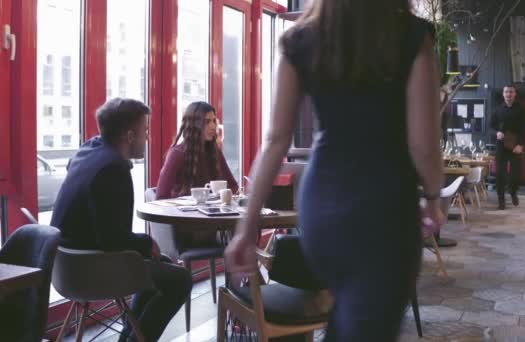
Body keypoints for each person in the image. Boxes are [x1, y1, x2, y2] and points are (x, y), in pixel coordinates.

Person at [224, 1, 445, 341]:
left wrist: (246, 227)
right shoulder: (412, 36)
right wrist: (432, 197)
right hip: (384, 211)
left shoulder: (299, 40)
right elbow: (424, 146)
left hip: (321, 212)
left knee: (349, 318)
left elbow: (275, 140)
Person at [50, 98, 192, 342]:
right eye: (145, 131)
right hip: (91, 270)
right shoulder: (113, 168)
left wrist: (144, 246)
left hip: (64, 266)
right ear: (129, 135)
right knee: (180, 279)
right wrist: (146, 242)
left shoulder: (89, 150)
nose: (147, 138)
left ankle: (129, 335)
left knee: (157, 264)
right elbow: (113, 240)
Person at [156, 101, 238, 245]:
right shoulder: (178, 154)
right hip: (185, 226)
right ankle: (241, 262)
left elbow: (233, 186)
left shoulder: (214, 152)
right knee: (238, 233)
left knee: (243, 228)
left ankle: (239, 263)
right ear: (194, 125)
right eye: (207, 122)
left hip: (210, 222)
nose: (213, 126)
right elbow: (160, 197)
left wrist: (218, 197)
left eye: (214, 121)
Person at [490, 84, 525, 210]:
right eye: (506, 92)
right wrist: (496, 133)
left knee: (515, 174)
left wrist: (521, 145)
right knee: (500, 174)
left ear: (515, 94)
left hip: (515, 145)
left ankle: (513, 192)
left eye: (511, 92)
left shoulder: (521, 110)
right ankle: (501, 200)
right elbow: (490, 128)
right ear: (503, 94)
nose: (508, 94)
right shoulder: (497, 110)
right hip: (501, 146)